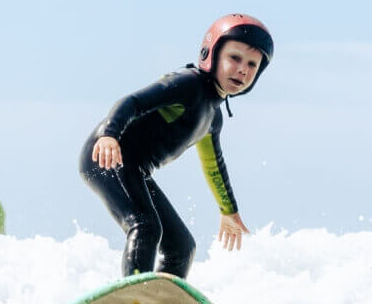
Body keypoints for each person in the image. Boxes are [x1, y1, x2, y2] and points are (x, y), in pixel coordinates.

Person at [79, 14, 274, 278]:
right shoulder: (188, 84)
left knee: (182, 247)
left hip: (135, 170)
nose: (243, 69)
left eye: (252, 64)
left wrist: (229, 212)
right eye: (235, 58)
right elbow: (133, 102)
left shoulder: (213, 118)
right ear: (212, 55)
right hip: (105, 156)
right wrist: (110, 135)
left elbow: (213, 165)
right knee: (145, 226)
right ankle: (135, 298)